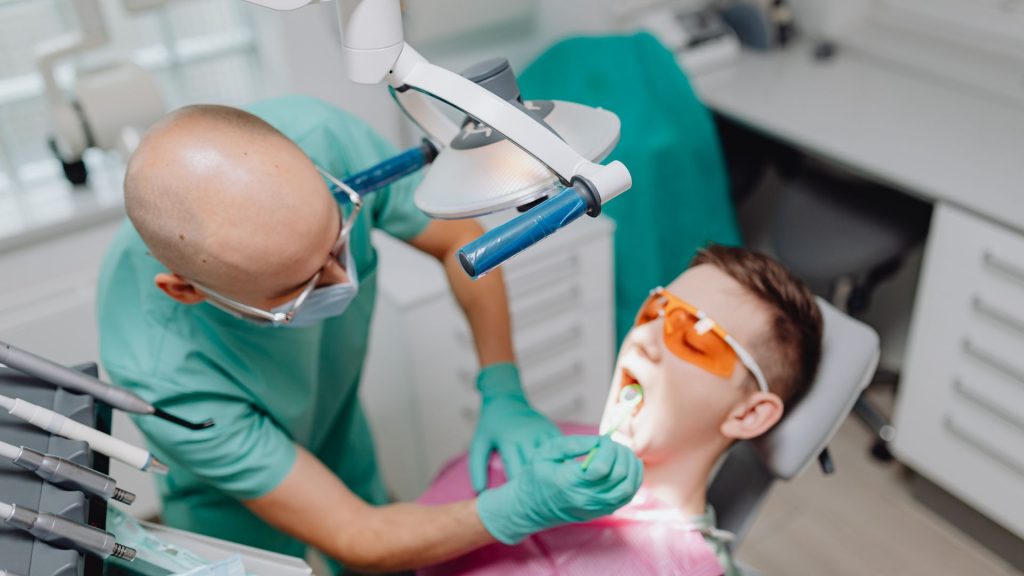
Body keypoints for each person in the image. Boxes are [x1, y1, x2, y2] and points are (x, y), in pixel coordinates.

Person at [95, 95, 642, 574]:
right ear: (186, 292)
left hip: (335, 418)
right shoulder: (160, 375)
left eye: (338, 243)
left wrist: (502, 385)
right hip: (226, 501)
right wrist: (518, 507)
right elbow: (356, 534)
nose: (341, 279)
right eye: (304, 283)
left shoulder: (325, 141)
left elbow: (459, 244)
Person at [417, 245, 824, 576]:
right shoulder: (550, 444)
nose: (642, 336)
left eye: (694, 336)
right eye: (654, 310)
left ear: (748, 415)